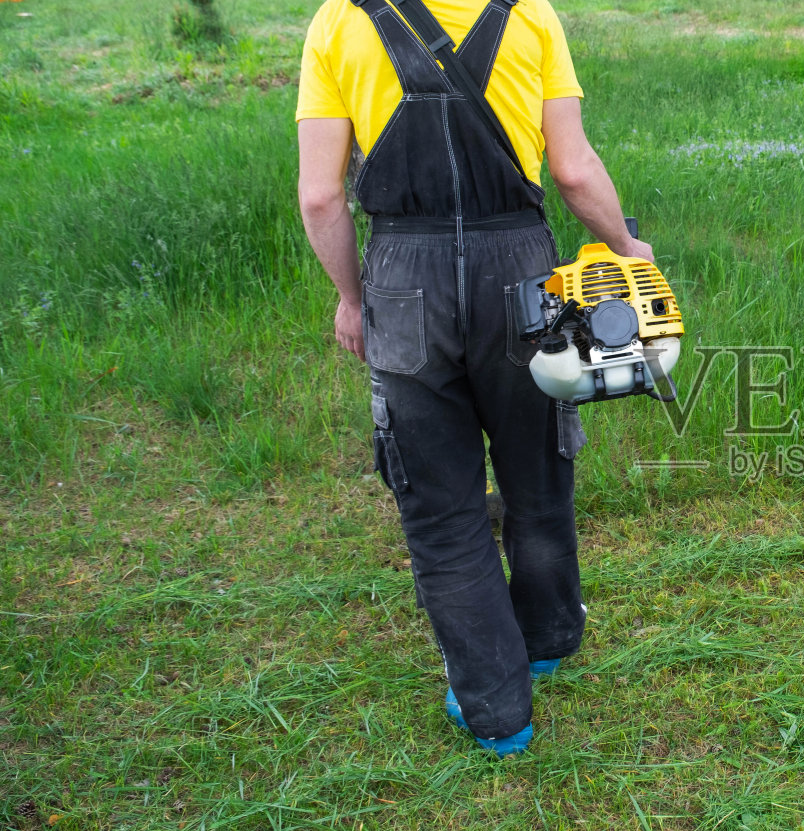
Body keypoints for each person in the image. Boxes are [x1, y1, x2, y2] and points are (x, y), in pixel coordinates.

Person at [294, 0, 649, 756]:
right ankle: (548, 636)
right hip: (520, 269)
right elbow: (573, 169)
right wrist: (626, 245)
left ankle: (496, 709)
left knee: (445, 514)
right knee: (538, 473)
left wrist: (354, 299)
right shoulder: (532, 15)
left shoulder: (337, 22)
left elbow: (321, 194)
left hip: (402, 277)